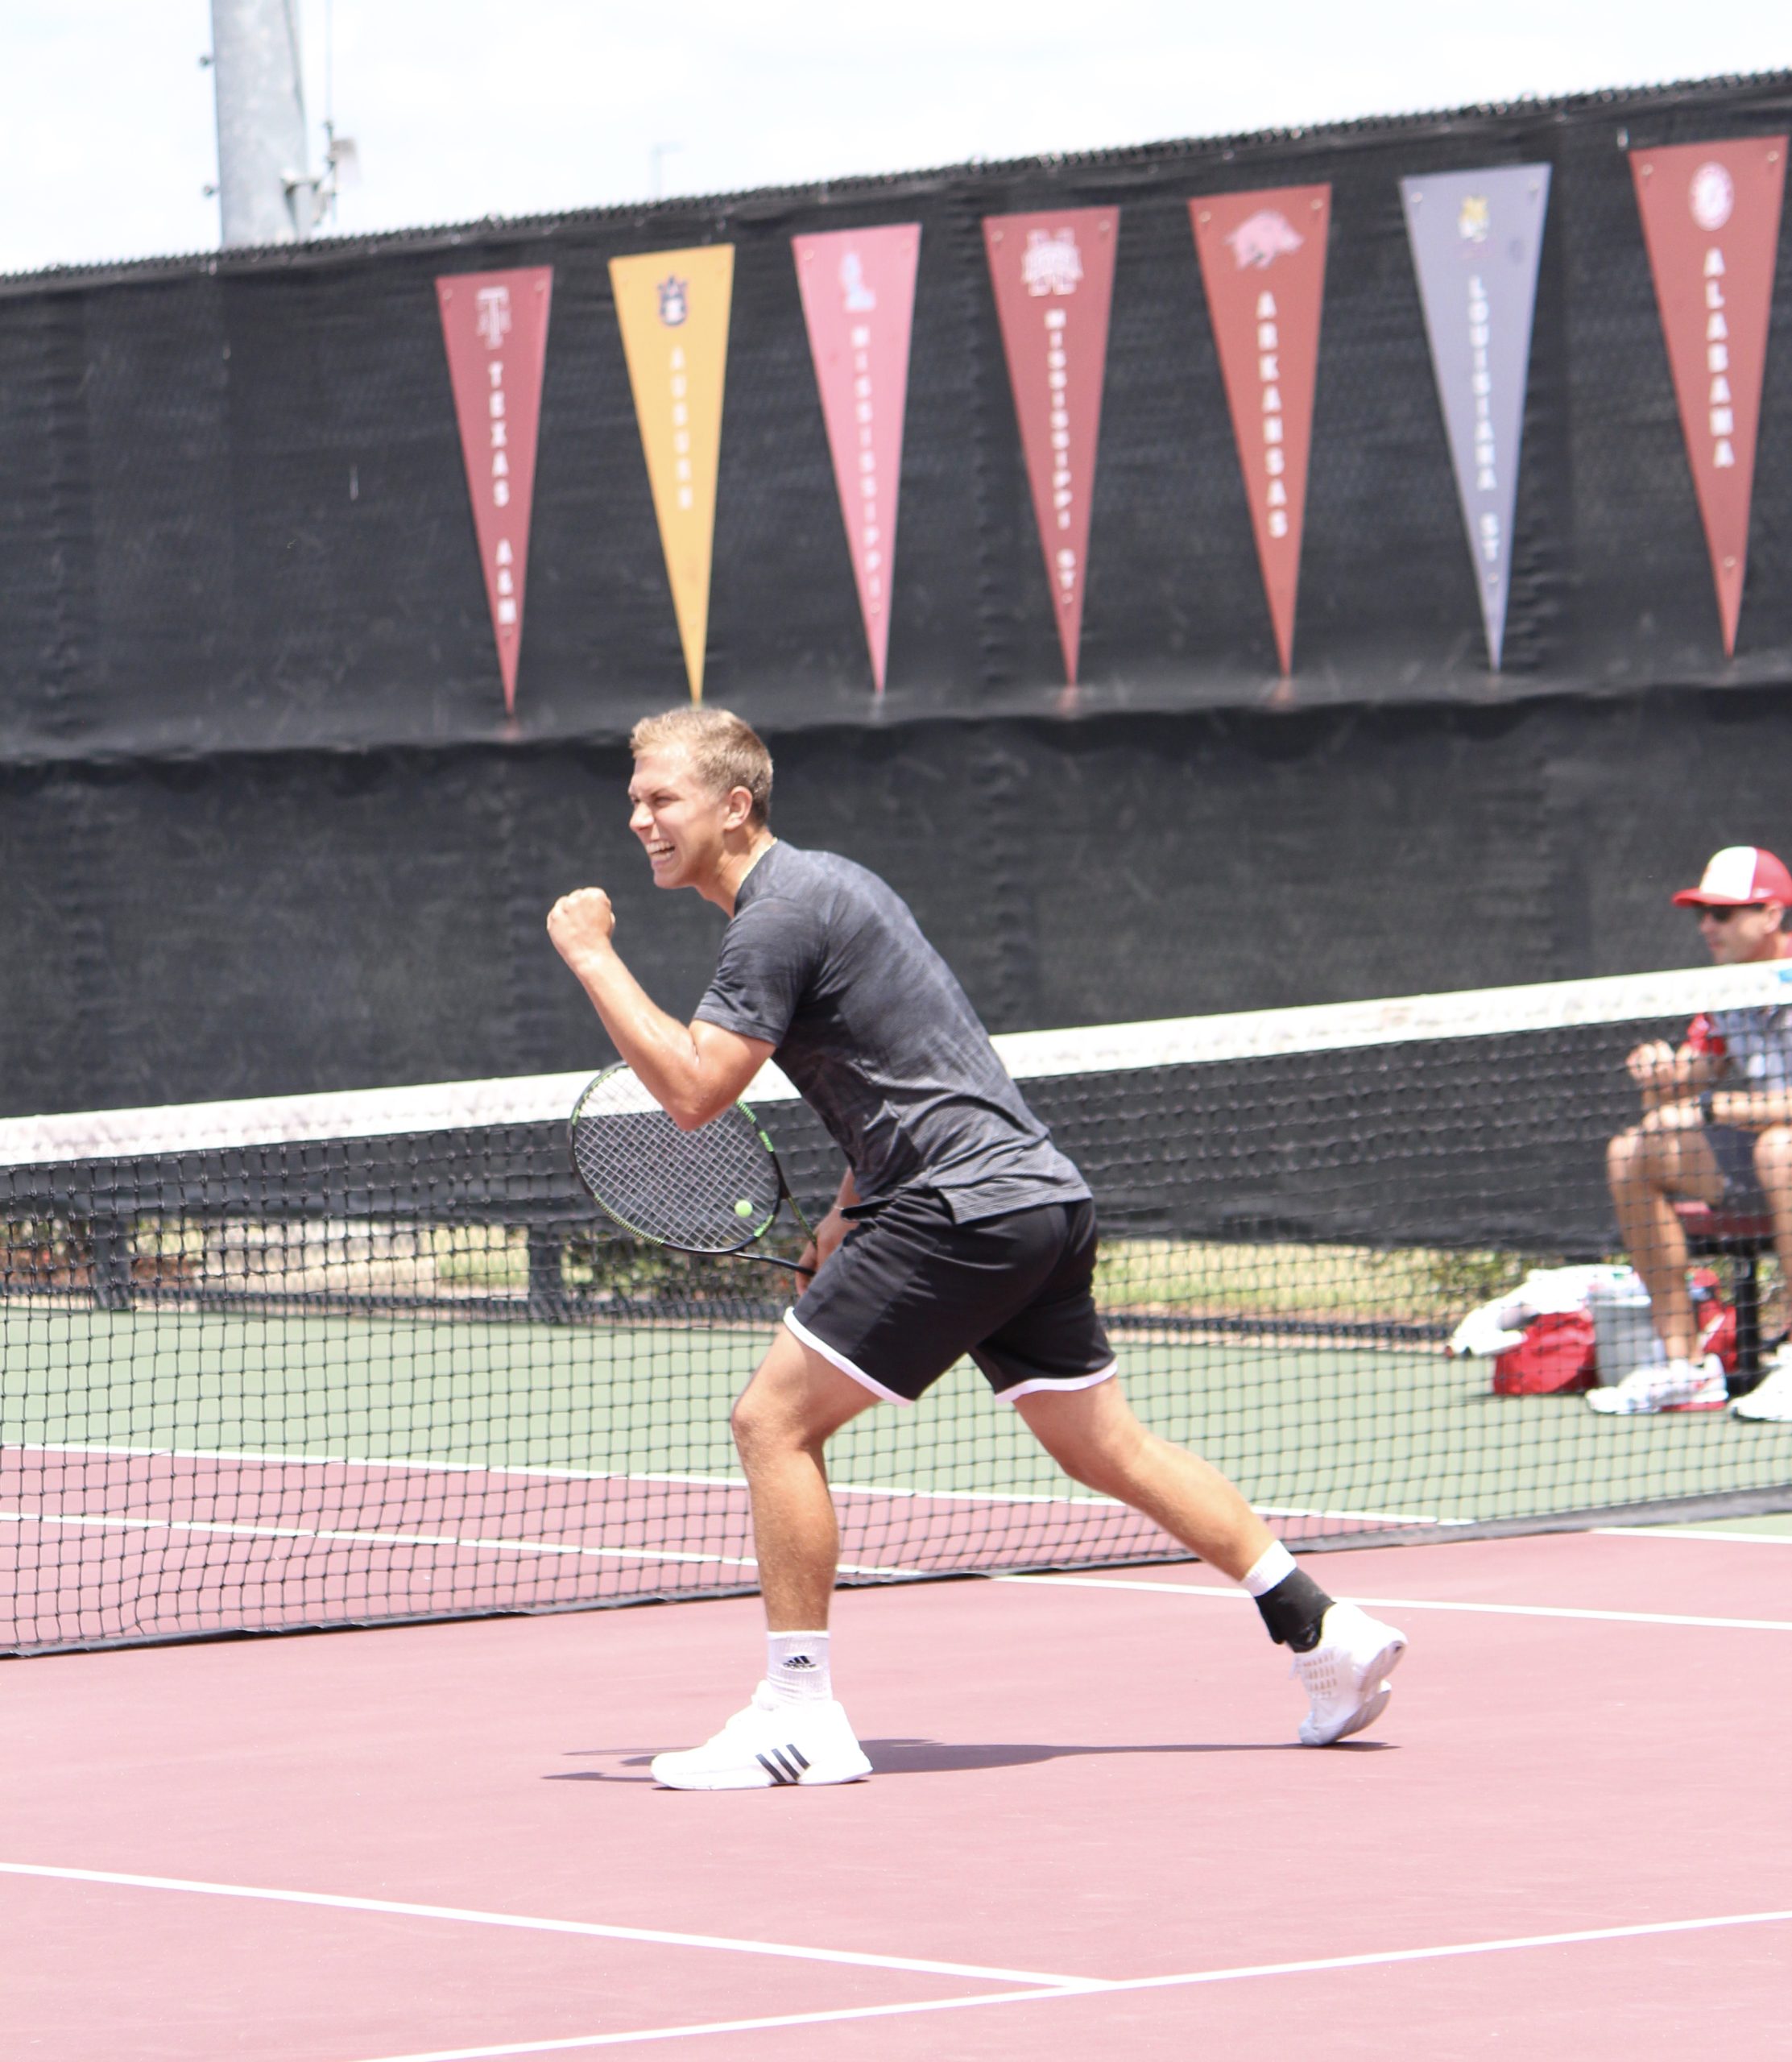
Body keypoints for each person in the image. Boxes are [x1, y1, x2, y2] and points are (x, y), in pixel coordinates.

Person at [547, 707, 1406, 1788]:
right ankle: (1324, 1633)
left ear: (733, 805)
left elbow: (691, 1090)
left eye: (659, 797)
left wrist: (590, 956)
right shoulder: (832, 887)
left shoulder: (775, 916)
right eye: (633, 798)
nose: (638, 818)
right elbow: (910, 1071)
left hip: (959, 1211)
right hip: (1035, 1201)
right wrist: (846, 1214)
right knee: (1106, 1449)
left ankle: (798, 1714)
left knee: (771, 1423)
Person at [1595, 846, 1792, 1420]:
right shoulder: (1725, 991)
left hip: (1781, 1153)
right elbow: (1691, 1078)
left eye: (1722, 914)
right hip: (1761, 1157)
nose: (1707, 926)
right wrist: (1664, 1076)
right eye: (1701, 914)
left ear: (1771, 915)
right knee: (1632, 1150)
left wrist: (1710, 1106)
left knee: (1781, 1150)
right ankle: (1684, 1365)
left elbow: (1712, 1104)